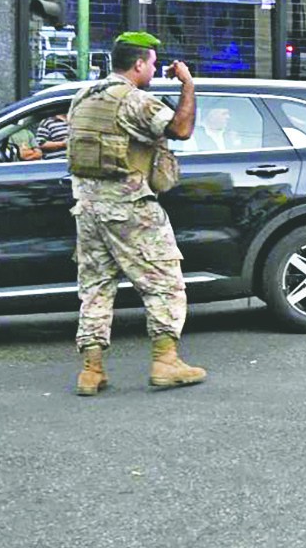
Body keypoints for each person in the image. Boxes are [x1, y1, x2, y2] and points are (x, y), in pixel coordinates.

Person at [68, 31, 205, 396]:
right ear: (139, 64)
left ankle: (91, 370)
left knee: (96, 288)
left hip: (87, 210)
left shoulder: (83, 97)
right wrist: (188, 84)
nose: (155, 69)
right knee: (164, 281)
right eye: (153, 63)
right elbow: (181, 128)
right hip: (130, 209)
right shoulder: (135, 101)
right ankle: (166, 361)